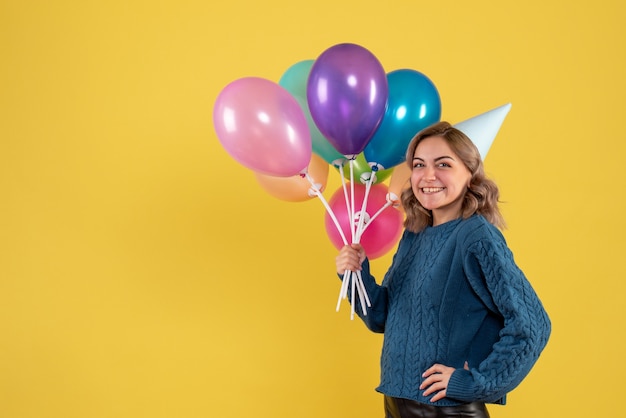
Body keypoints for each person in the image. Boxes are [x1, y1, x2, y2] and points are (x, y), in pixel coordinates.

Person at [335, 121, 551, 418]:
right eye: (419, 164)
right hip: (396, 402)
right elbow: (383, 317)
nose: (428, 176)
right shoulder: (415, 234)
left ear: (470, 176)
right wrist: (354, 275)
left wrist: (477, 383)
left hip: (447, 411)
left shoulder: (476, 236)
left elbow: (533, 325)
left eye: (444, 164)